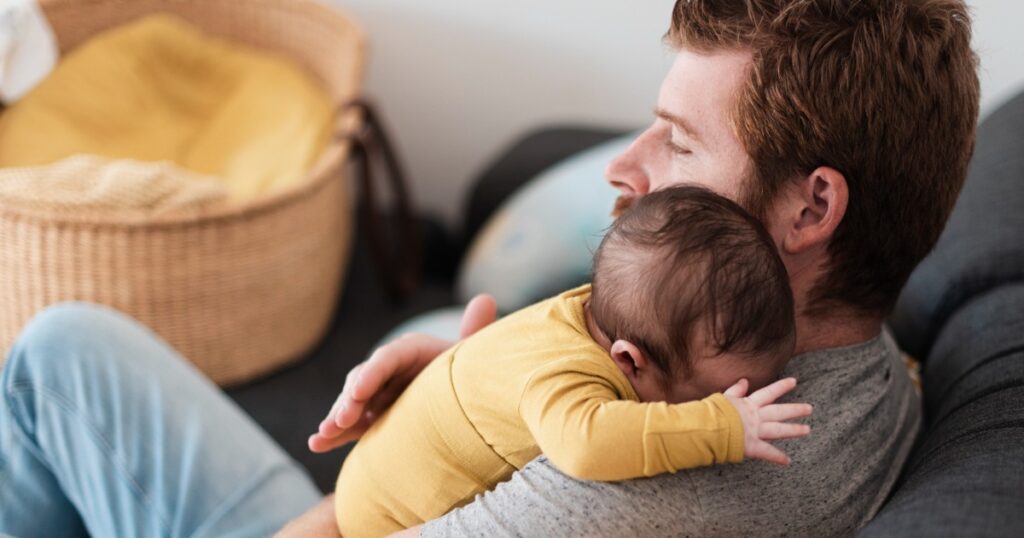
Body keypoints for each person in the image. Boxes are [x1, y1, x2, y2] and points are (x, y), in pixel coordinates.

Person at [0, 0, 979, 536]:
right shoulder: (857, 363)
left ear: (812, 208)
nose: (624, 168)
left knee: (50, 364)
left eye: (679, 142)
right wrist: (464, 385)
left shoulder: (661, 486)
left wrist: (399, 460)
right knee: (67, 343)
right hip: (425, 476)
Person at [329, 186, 811, 537]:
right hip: (381, 517)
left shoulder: (594, 310)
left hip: (366, 476)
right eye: (713, 395)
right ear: (630, 360)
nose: (736, 402)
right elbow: (588, 445)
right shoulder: (571, 377)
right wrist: (721, 427)